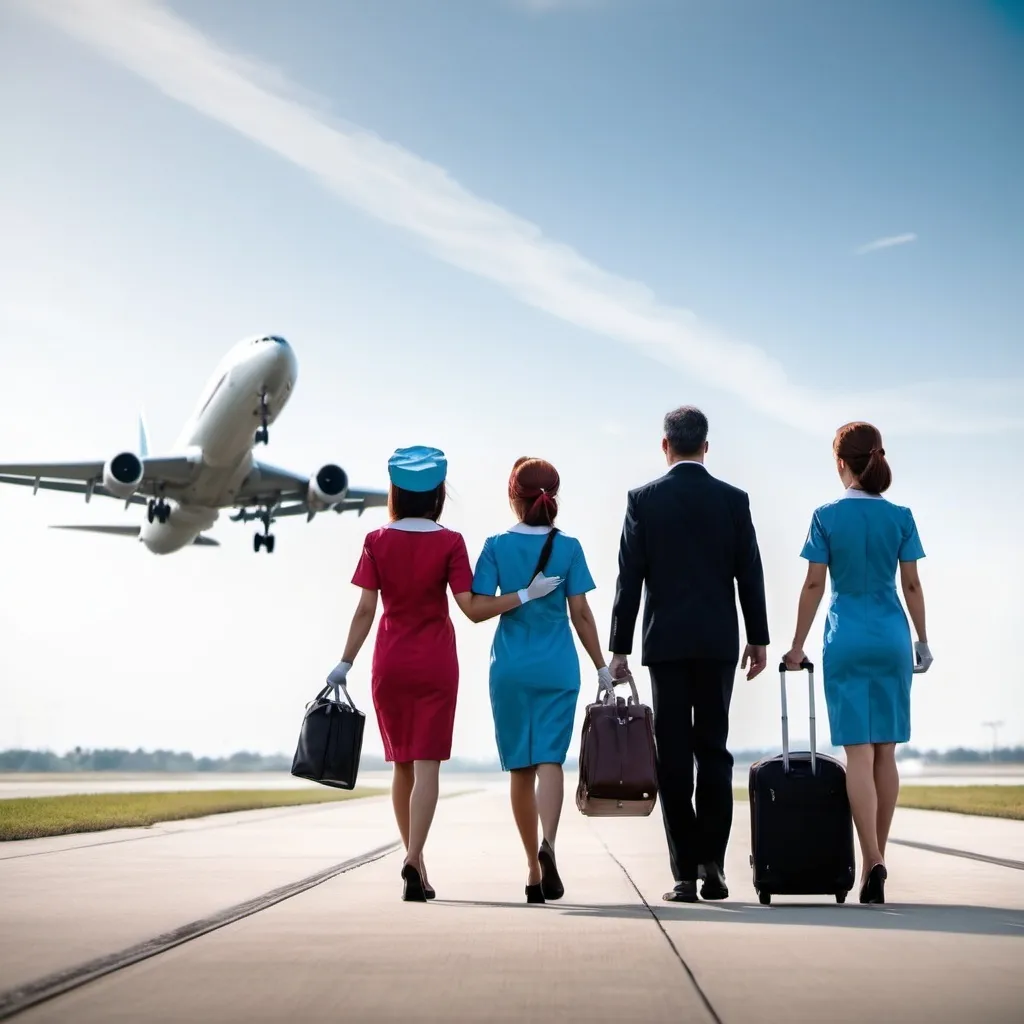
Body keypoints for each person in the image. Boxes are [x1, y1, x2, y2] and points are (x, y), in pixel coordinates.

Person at [326, 446, 562, 903]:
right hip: (435, 663)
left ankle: (416, 860)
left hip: (389, 663)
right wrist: (525, 595)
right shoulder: (449, 541)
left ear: (395, 491)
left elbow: (364, 611)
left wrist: (345, 662)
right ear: (437, 493)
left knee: (401, 765)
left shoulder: (376, 540)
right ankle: (415, 858)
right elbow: (472, 607)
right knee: (428, 764)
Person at [608, 406, 770, 904]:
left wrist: (620, 649)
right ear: (706, 447)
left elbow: (628, 579)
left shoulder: (643, 501)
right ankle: (714, 867)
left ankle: (682, 874)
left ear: (665, 445)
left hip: (666, 646)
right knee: (715, 753)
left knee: (673, 757)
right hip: (719, 644)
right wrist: (758, 638)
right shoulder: (733, 500)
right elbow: (751, 573)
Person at [783, 421, 931, 905]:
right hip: (891, 636)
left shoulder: (826, 516)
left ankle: (872, 856)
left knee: (858, 755)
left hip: (844, 637)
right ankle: (875, 859)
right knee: (886, 751)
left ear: (840, 462)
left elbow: (813, 585)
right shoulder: (901, 516)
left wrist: (797, 644)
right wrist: (923, 640)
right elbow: (910, 585)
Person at [471, 457, 614, 904]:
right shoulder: (569, 547)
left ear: (513, 497)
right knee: (551, 759)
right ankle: (550, 843)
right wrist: (602, 667)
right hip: (558, 665)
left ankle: (533, 866)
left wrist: (519, 596)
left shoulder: (495, 545)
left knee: (520, 766)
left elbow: (475, 608)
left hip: (511, 667)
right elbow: (582, 614)